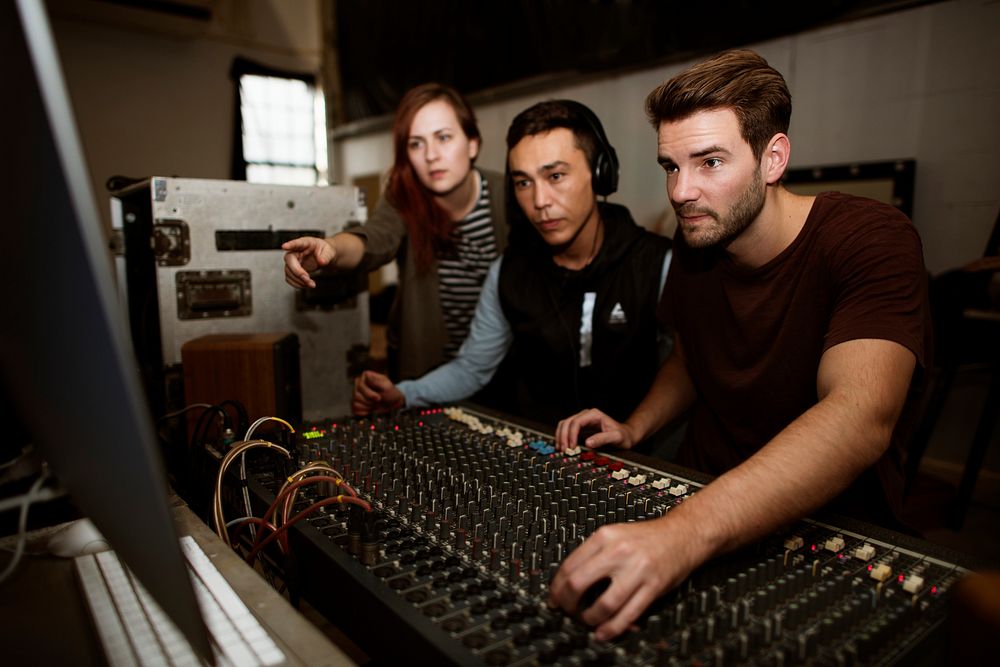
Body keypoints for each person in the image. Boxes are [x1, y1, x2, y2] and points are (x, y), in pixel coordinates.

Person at [550, 49, 930, 640]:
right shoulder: (695, 243)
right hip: (701, 495)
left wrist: (683, 534)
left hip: (829, 523)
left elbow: (860, 416)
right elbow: (691, 360)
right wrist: (636, 429)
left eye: (709, 162)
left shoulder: (870, 239)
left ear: (773, 157)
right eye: (671, 167)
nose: (681, 191)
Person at [352, 100, 672, 427]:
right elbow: (473, 367)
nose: (539, 201)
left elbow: (687, 367)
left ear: (601, 173)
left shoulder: (658, 264)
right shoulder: (507, 272)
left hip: (639, 455)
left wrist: (635, 428)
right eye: (523, 182)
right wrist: (405, 393)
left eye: (556, 175)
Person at [282, 83, 507, 380]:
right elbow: (374, 238)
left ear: (473, 143)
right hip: (428, 373)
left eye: (444, 137)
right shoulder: (403, 198)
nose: (431, 155)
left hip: (505, 372)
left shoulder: (508, 194)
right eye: (416, 143)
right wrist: (330, 250)